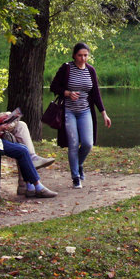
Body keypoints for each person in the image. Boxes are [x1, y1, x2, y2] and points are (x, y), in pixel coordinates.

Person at [50, 42, 111, 188]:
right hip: (69, 111)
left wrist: (104, 114)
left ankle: (79, 164)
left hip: (85, 111)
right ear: (74, 55)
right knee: (72, 144)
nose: (83, 58)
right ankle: (75, 177)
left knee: (88, 143)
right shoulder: (67, 68)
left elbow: (96, 94)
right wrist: (67, 93)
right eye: (80, 55)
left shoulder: (91, 70)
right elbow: (54, 86)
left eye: (85, 55)